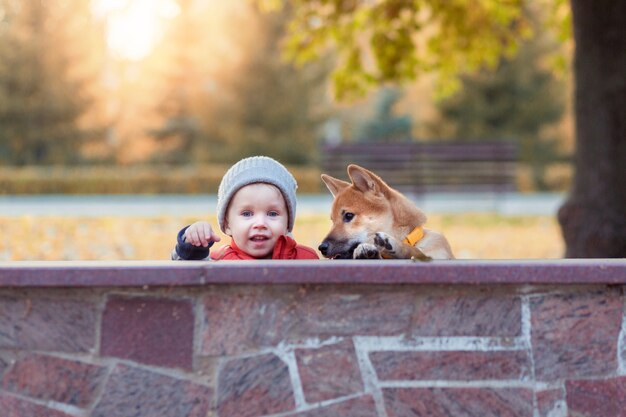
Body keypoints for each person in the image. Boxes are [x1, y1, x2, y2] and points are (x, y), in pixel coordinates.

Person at [171, 156, 319, 260]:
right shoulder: (220, 262)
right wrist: (192, 245)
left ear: (288, 223)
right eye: (247, 214)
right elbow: (182, 272)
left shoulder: (305, 259)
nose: (260, 223)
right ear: (227, 225)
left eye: (272, 214)